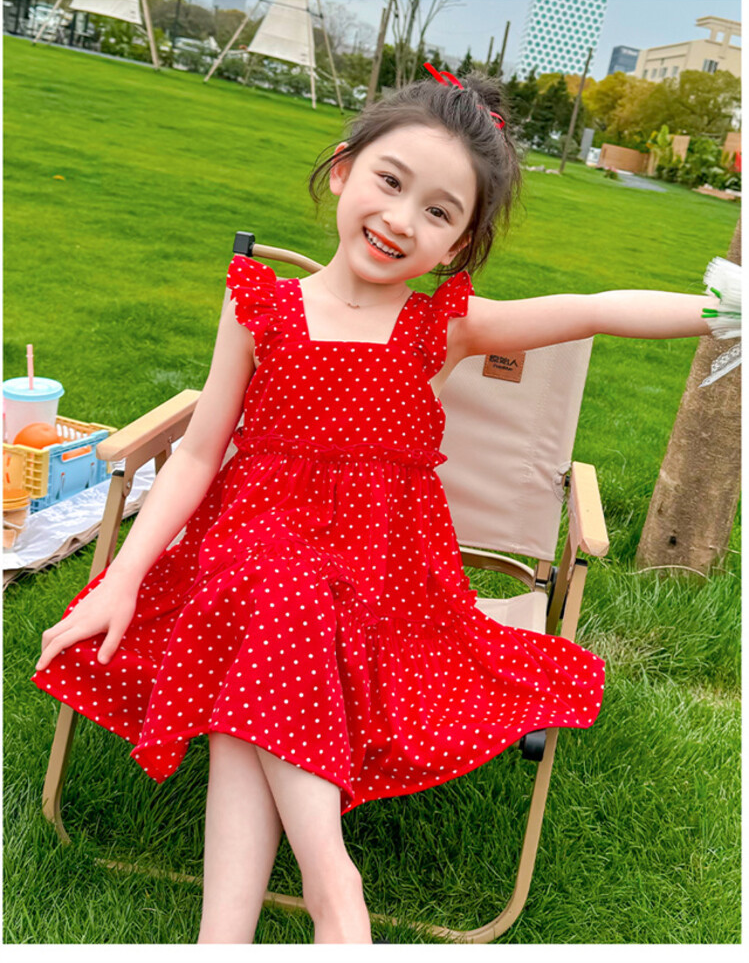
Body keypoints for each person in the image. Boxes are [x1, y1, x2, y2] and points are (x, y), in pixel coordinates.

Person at [32, 68, 732, 945]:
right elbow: (201, 453)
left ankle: (249, 927)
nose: (401, 219)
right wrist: (124, 577)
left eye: (438, 212)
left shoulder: (441, 328)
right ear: (342, 170)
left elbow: (591, 309)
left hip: (379, 579)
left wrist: (727, 309)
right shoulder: (262, 306)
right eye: (389, 182)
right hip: (250, 548)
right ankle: (330, 887)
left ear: (457, 246)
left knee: (273, 625)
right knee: (278, 591)